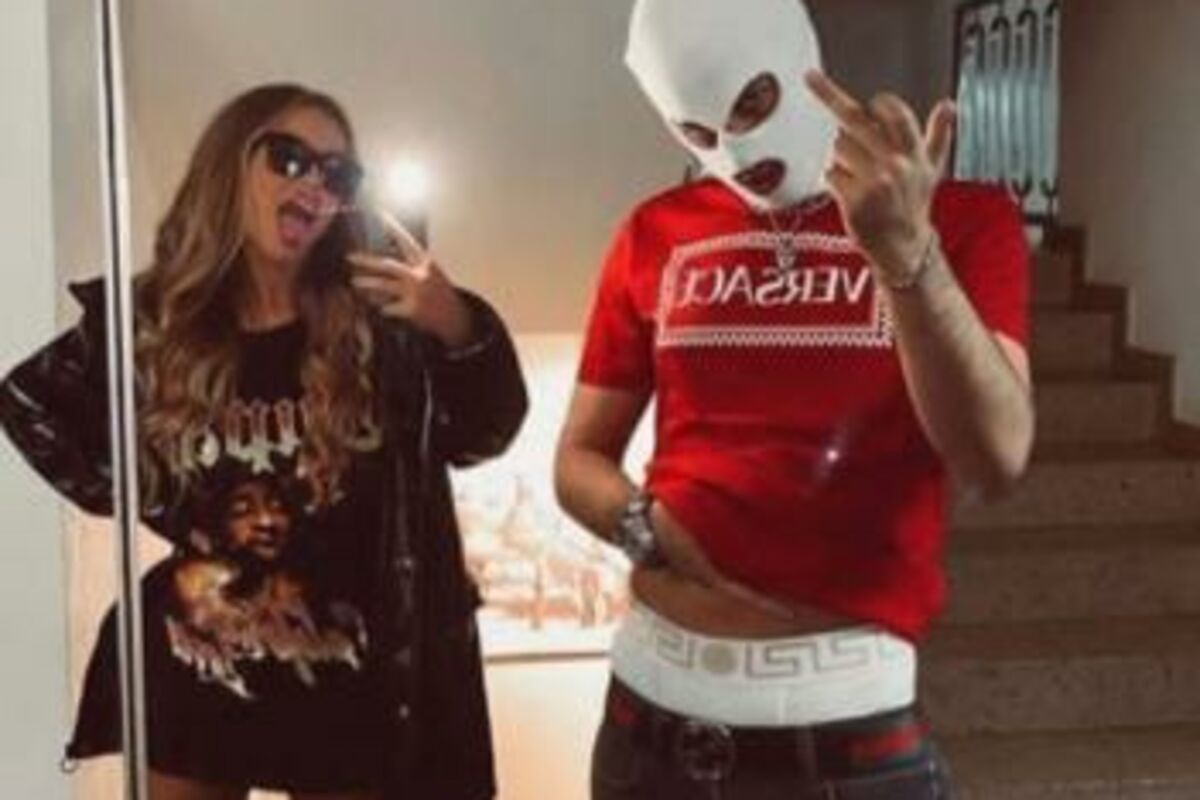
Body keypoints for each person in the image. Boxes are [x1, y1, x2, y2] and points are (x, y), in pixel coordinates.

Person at [554, 0, 1033, 797]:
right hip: (648, 717)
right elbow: (578, 456)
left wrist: (909, 258)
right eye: (699, 131)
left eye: (753, 101)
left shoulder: (961, 219)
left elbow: (997, 458)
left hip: (845, 733)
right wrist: (642, 525)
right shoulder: (655, 231)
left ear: (801, 58)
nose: (737, 148)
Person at [0, 83, 527, 800]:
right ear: (231, 164)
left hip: (344, 669)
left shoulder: (378, 320)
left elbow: (483, 435)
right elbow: (30, 402)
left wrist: (456, 323)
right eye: (290, 158)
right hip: (199, 651)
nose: (314, 184)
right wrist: (162, 503)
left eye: (337, 174)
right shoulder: (158, 320)